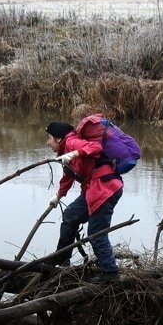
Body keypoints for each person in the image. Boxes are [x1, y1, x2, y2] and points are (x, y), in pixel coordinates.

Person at [45, 120, 124, 283]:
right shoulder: (65, 150)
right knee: (70, 216)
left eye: (49, 138)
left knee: (96, 233)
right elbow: (68, 176)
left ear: (59, 139)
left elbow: (96, 148)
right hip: (94, 189)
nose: (47, 142)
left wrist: (74, 153)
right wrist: (58, 196)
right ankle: (62, 257)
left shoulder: (72, 142)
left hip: (105, 188)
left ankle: (110, 273)